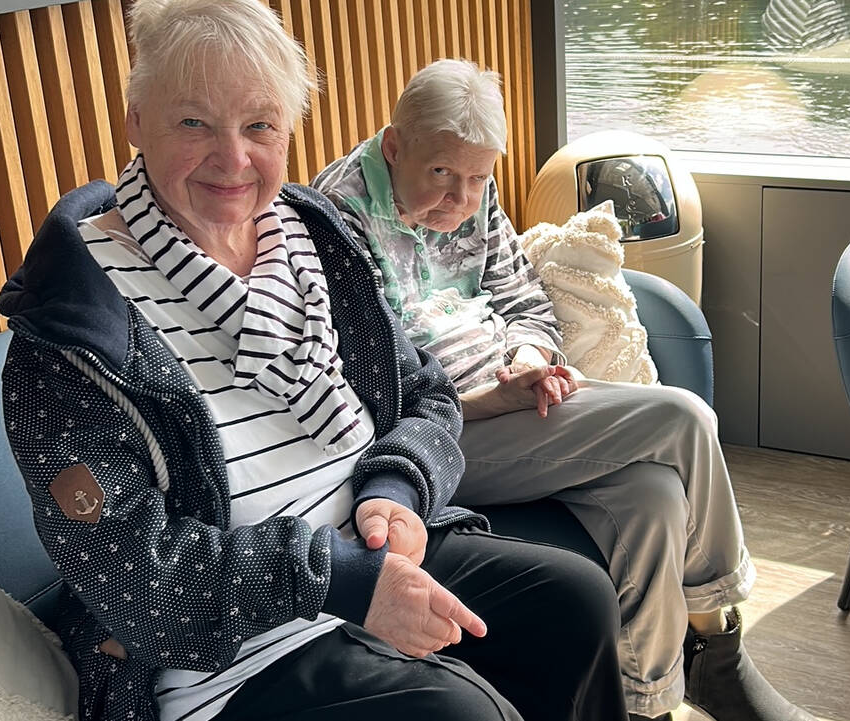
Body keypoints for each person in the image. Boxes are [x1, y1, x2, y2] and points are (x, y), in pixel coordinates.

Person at [0, 5, 630, 721]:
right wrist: (338, 577)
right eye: (194, 123)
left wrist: (395, 486)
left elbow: (426, 392)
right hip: (226, 653)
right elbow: (136, 579)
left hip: (371, 548)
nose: (233, 159)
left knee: (576, 601)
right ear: (137, 120)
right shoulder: (70, 329)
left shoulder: (315, 237)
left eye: (260, 125)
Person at [313, 58, 817, 721]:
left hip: (514, 404)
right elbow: (371, 403)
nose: (462, 199)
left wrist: (529, 357)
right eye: (441, 175)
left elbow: (523, 298)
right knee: (684, 418)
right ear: (394, 144)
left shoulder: (470, 185)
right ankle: (717, 649)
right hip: (437, 440)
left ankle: (645, 703)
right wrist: (491, 400)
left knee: (654, 495)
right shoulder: (334, 222)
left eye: (478, 179)